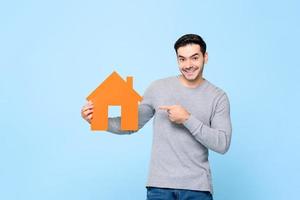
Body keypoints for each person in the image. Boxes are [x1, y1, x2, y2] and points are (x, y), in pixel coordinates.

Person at [81, 34, 232, 200]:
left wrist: (187, 119)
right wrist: (98, 120)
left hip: (197, 189)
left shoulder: (218, 97)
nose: (188, 65)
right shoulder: (158, 88)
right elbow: (130, 124)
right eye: (182, 59)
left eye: (194, 58)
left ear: (205, 57)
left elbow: (222, 144)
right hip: (159, 188)